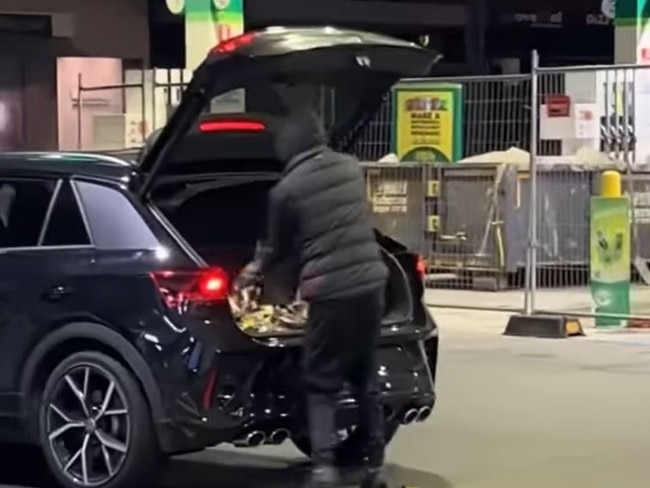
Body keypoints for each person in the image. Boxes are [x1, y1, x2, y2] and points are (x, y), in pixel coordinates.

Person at [234, 84, 389, 488]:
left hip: (332, 292)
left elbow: (277, 249)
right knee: (364, 375)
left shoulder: (286, 191)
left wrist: (251, 274)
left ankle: (324, 470)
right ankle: (374, 466)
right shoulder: (350, 167)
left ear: (289, 144)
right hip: (372, 283)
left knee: (320, 381)